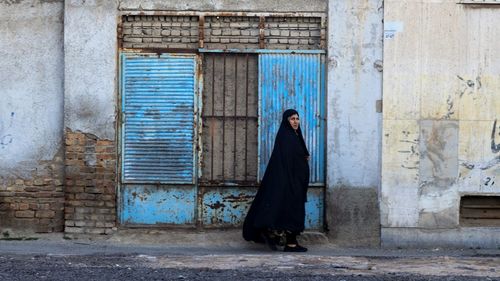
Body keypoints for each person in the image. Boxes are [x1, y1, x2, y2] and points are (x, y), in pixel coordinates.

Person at [243, 109, 310, 252]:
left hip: (294, 182)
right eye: (292, 119)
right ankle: (289, 243)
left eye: (297, 119)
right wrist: (302, 158)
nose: (296, 122)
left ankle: (287, 240)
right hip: (289, 182)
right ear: (286, 120)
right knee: (291, 211)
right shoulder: (287, 137)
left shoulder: (295, 135)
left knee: (291, 211)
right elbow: (288, 160)